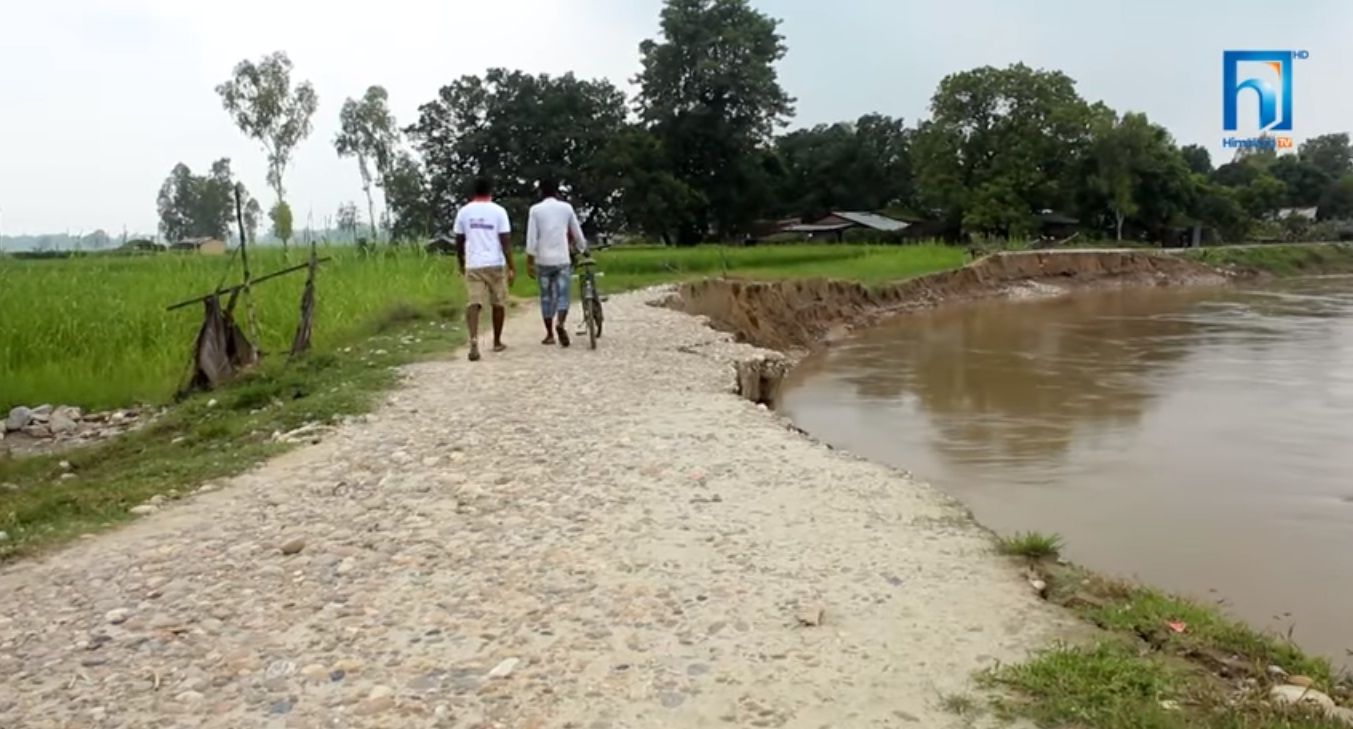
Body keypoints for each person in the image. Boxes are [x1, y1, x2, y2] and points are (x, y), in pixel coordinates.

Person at [453, 177, 516, 361]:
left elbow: (458, 240)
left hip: (474, 263)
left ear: (474, 191)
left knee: (474, 303)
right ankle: (496, 341)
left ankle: (473, 340)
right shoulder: (499, 211)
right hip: (495, 263)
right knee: (498, 302)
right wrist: (511, 266)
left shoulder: (464, 212)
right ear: (491, 191)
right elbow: (505, 241)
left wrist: (461, 260)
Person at [525, 178, 587, 347]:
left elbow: (531, 238)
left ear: (540, 192)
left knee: (546, 297)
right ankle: (561, 323)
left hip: (543, 260)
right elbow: (576, 232)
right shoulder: (566, 208)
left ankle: (550, 334)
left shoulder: (535, 210)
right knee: (562, 295)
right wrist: (583, 248)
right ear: (557, 191)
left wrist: (530, 260)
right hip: (562, 259)